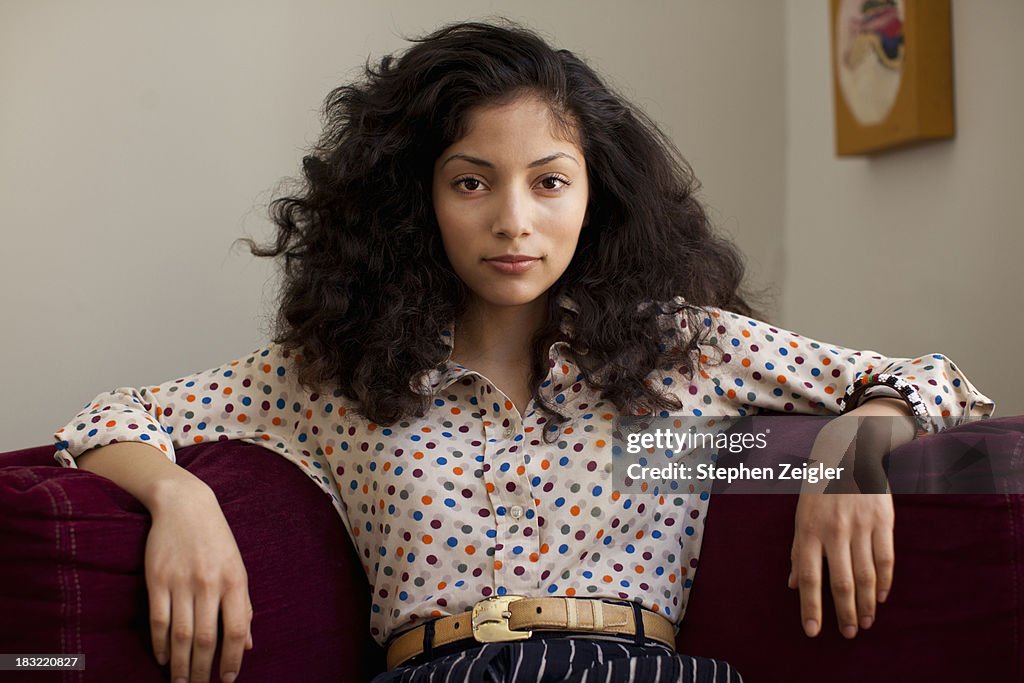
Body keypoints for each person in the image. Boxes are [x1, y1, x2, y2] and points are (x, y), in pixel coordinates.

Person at [52, 20, 994, 683]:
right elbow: (108, 419)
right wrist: (178, 495)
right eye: (472, 182)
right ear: (416, 199)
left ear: (597, 197)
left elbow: (934, 381)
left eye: (550, 182)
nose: (514, 221)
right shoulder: (335, 374)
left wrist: (851, 445)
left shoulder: (683, 348)